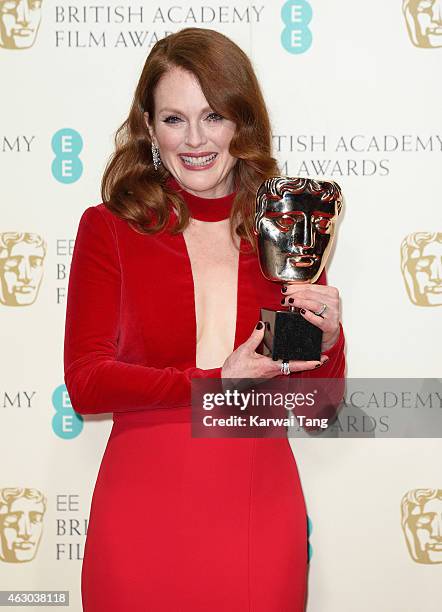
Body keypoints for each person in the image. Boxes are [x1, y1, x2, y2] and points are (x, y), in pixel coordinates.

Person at [63, 27, 345, 612]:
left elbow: (318, 407)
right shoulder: (111, 229)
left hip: (254, 507)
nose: (194, 139)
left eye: (213, 115)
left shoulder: (284, 231)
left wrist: (330, 341)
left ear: (242, 122)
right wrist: (216, 384)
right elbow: (87, 383)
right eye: (174, 119)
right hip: (141, 506)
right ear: (147, 125)